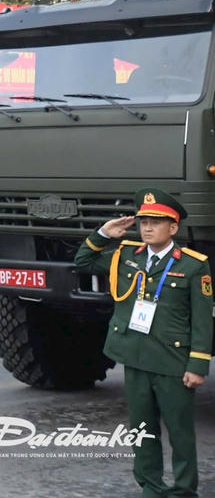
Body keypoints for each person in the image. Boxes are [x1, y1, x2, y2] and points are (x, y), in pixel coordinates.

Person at [74, 188, 212, 498]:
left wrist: (198, 364)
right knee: (142, 430)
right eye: (143, 221)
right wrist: (102, 233)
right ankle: (150, 486)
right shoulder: (125, 255)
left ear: (173, 227)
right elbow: (83, 261)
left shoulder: (193, 265)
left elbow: (203, 321)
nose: (147, 228)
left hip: (172, 363)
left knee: (180, 433)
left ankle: (183, 490)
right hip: (135, 357)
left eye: (156, 222)